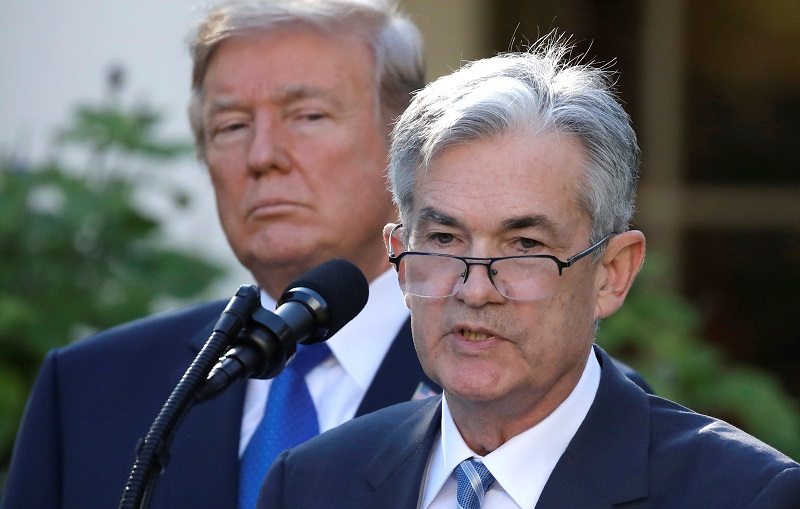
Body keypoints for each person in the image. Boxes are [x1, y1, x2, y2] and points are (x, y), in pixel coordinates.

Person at [1, 2, 649, 508]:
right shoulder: (91, 390)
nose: (262, 156)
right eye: (230, 125)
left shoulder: (538, 390)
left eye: (306, 115)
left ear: (408, 141)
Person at [257, 37, 800, 508]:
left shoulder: (742, 493)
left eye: (524, 246)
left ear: (612, 273)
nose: (474, 289)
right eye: (445, 240)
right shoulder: (311, 483)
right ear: (399, 260)